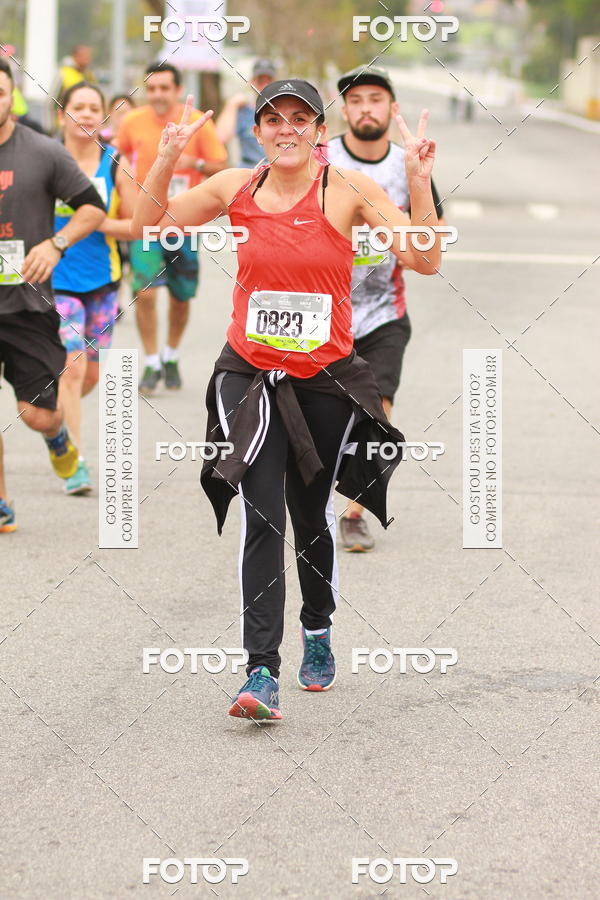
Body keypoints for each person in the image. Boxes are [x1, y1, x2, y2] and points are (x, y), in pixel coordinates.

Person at [131, 80, 442, 720]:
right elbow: (147, 228)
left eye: (301, 119)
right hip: (247, 374)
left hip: (322, 378)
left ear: (319, 133)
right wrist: (164, 157)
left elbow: (426, 259)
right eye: (275, 120)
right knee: (263, 516)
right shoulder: (233, 187)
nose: (288, 130)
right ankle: (261, 671)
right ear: (260, 132)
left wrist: (417, 179)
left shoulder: (347, 190)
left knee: (310, 516)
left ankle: (319, 628)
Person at [327, 65, 446, 552]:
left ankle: (354, 510)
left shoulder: (408, 164)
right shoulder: (322, 160)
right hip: (320, 312)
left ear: (390, 108)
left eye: (375, 99)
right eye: (355, 101)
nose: (365, 109)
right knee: (321, 417)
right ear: (344, 111)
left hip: (383, 312)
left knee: (375, 412)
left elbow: (430, 240)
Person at [0, 59, 105, 532]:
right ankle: (2, 500)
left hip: (27, 303)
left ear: (12, 99)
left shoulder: (43, 153)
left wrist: (55, 243)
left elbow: (93, 208)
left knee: (36, 415)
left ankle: (59, 436)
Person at [117, 62, 227, 394]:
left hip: (184, 224)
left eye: (164, 88)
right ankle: (151, 361)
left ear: (177, 90)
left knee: (180, 297)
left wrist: (193, 162)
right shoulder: (132, 122)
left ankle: (171, 354)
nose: (157, 94)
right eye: (151, 88)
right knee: (145, 293)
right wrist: (127, 202)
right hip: (147, 222)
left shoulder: (195, 122)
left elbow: (221, 164)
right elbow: (121, 160)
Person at [52, 82, 136, 495]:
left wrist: (94, 220)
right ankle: (74, 463)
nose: (85, 114)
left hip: (104, 282)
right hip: (55, 279)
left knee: (91, 374)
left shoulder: (115, 163)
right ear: (61, 115)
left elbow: (138, 226)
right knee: (73, 366)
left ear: (102, 118)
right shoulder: (47, 160)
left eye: (93, 109)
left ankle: (55, 414)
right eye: (77, 107)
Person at [216, 58, 276, 167]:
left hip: (277, 170)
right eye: (260, 81)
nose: (265, 86)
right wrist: (231, 104)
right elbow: (221, 137)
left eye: (269, 81)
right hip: (249, 170)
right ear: (251, 82)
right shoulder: (243, 111)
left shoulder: (284, 113)